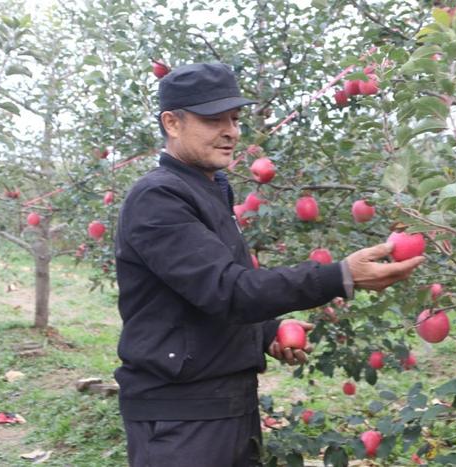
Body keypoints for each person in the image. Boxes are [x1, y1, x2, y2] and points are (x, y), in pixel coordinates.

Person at [114, 62, 424, 467]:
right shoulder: (159, 198)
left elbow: (200, 295)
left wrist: (265, 332)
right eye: (213, 119)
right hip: (181, 414)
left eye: (235, 118)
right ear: (172, 123)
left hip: (224, 402)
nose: (232, 131)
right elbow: (229, 290)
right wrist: (340, 275)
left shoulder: (208, 189)